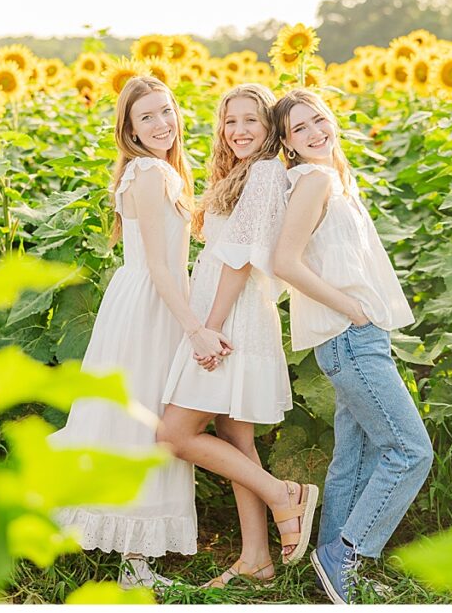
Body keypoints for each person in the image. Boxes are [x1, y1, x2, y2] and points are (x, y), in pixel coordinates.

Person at [48, 76, 231, 590]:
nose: (160, 124)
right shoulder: (149, 172)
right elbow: (157, 264)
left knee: (137, 419)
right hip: (154, 304)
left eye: (166, 111)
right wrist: (194, 328)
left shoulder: (159, 172)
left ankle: (134, 557)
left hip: (150, 301)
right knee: (142, 419)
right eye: (146, 117)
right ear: (128, 129)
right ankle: (131, 562)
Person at [271, 89, 433, 604]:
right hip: (349, 335)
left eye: (318, 119)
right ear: (288, 144)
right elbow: (286, 262)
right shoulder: (314, 179)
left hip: (361, 335)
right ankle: (348, 553)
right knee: (411, 450)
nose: (316, 132)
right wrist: (351, 308)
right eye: (300, 129)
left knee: (355, 454)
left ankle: (329, 572)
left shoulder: (334, 178)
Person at [158, 84, 306, 588]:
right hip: (224, 311)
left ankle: (284, 496)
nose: (239, 131)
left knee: (175, 435)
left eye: (251, 121)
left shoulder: (265, 173)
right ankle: (256, 560)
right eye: (230, 121)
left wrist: (211, 328)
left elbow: (240, 259)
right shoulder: (241, 174)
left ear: (269, 129)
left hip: (232, 316)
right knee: (236, 441)